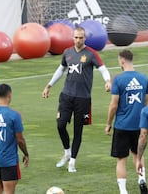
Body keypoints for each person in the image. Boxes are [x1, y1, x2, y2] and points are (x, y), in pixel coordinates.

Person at [42, 26, 111, 172]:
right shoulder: (67, 52)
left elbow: (103, 68)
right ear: (72, 38)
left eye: (81, 37)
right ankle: (67, 152)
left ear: (85, 38)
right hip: (66, 96)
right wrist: (49, 85)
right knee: (60, 125)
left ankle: (72, 161)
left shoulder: (91, 54)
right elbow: (61, 69)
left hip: (83, 99)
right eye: (76, 37)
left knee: (77, 130)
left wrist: (107, 81)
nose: (78, 40)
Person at [105, 50, 148, 194]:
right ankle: (141, 180)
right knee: (138, 155)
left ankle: (123, 191)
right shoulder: (143, 79)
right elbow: (146, 102)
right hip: (139, 125)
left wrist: (108, 123)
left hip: (122, 125)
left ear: (122, 61)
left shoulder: (118, 80)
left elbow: (113, 105)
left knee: (121, 159)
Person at [0, 83, 29, 194]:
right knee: (9, 190)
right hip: (8, 160)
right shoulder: (14, 115)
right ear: (9, 95)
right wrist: (26, 153)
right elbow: (20, 140)